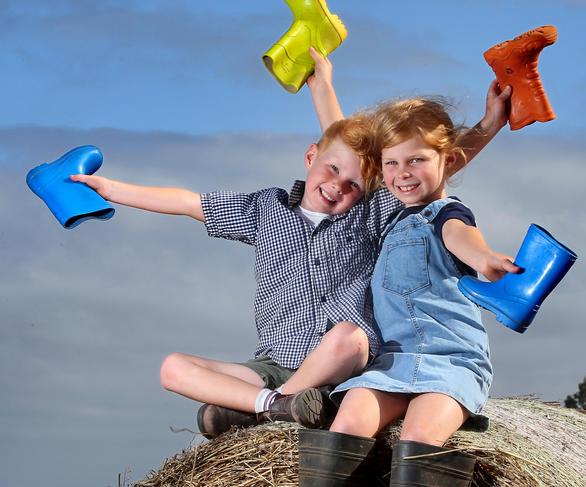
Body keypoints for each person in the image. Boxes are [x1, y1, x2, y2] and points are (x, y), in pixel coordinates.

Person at [70, 49, 509, 439]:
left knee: (352, 337)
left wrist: (489, 125)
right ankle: (272, 407)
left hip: (337, 359)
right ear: (310, 157)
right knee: (173, 368)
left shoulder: (368, 213)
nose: (339, 185)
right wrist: (111, 189)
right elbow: (187, 202)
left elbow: (421, 164)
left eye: (355, 183)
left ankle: (259, 410)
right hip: (273, 364)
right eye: (331, 170)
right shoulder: (264, 210)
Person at [298, 92, 518, 485]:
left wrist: (484, 258)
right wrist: (322, 84)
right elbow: (352, 140)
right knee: (345, 423)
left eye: (415, 161)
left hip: (451, 364)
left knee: (417, 437)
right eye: (391, 164)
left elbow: (461, 236)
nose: (402, 172)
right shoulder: (389, 216)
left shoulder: (448, 214)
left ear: (447, 162)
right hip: (391, 364)